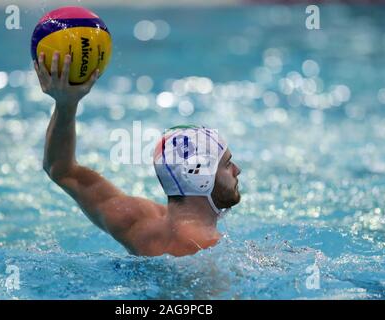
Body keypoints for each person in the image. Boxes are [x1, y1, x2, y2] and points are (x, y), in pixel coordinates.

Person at [35, 51, 242, 257]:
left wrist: (65, 104)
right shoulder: (213, 256)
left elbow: (60, 169)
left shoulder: (137, 224)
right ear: (198, 175)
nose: (236, 170)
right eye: (226, 164)